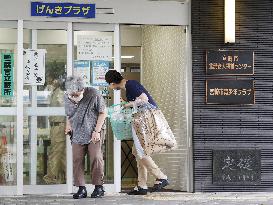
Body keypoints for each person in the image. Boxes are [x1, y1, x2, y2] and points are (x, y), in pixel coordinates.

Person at [105, 70, 176, 195]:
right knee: (137, 151)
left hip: (143, 121)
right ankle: (142, 185)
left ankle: (161, 176)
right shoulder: (129, 86)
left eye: (108, 84)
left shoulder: (130, 85)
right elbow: (139, 102)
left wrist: (128, 105)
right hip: (141, 120)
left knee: (140, 151)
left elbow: (144, 99)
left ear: (112, 83)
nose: (109, 87)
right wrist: (128, 103)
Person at [64, 76, 107, 199]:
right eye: (72, 95)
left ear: (82, 89)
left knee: (96, 158)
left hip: (94, 130)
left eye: (76, 95)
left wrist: (97, 131)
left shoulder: (94, 94)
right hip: (77, 132)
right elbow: (69, 114)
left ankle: (99, 187)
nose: (74, 98)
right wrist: (68, 126)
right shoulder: (67, 96)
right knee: (77, 159)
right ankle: (81, 188)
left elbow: (103, 112)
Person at [43, 78, 66, 184]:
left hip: (59, 126)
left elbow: (65, 109)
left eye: (51, 81)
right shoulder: (54, 93)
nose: (49, 83)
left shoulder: (59, 94)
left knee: (55, 152)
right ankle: (67, 177)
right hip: (56, 126)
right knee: (61, 153)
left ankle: (50, 177)